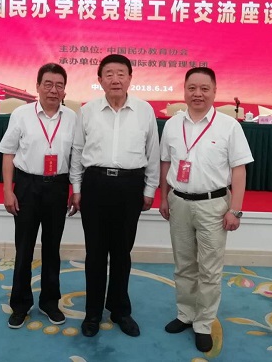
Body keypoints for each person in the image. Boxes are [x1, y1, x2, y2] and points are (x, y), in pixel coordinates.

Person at [158, 67, 253, 353]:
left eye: (204, 88)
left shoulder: (229, 126)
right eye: (192, 88)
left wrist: (235, 210)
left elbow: (239, 170)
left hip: (214, 205)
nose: (197, 94)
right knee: (184, 265)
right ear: (184, 90)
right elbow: (166, 163)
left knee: (209, 269)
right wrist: (164, 198)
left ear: (214, 91)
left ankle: (203, 323)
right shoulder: (173, 125)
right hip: (179, 202)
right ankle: (186, 314)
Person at [69, 53, 160, 338]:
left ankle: (120, 310)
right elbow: (77, 151)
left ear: (130, 78)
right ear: (100, 80)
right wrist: (76, 188)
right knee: (95, 253)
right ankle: (93, 313)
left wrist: (149, 189)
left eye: (121, 73)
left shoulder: (145, 110)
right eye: (109, 74)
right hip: (95, 185)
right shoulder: (88, 111)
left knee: (122, 252)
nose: (115, 79)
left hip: (130, 186)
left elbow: (153, 153)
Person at [0, 63, 77, 329]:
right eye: (48, 84)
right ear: (38, 86)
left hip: (57, 187)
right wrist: (8, 190)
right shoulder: (21, 114)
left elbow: (76, 158)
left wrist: (75, 189)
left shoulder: (72, 117)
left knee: (52, 249)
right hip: (27, 186)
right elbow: (8, 153)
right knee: (24, 249)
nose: (54, 90)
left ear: (65, 90)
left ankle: (50, 302)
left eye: (59, 85)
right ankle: (20, 304)